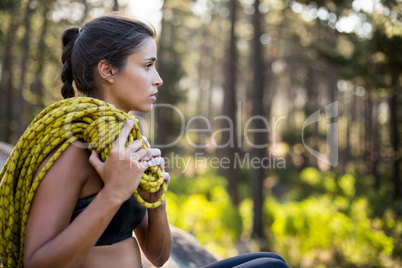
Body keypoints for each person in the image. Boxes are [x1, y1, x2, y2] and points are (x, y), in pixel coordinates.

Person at [0, 13, 288, 268]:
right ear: (108, 70)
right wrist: (113, 194)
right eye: (148, 65)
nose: (158, 79)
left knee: (272, 260)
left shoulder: (125, 141)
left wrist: (156, 201)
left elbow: (158, 257)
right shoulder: (76, 146)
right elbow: (35, 262)